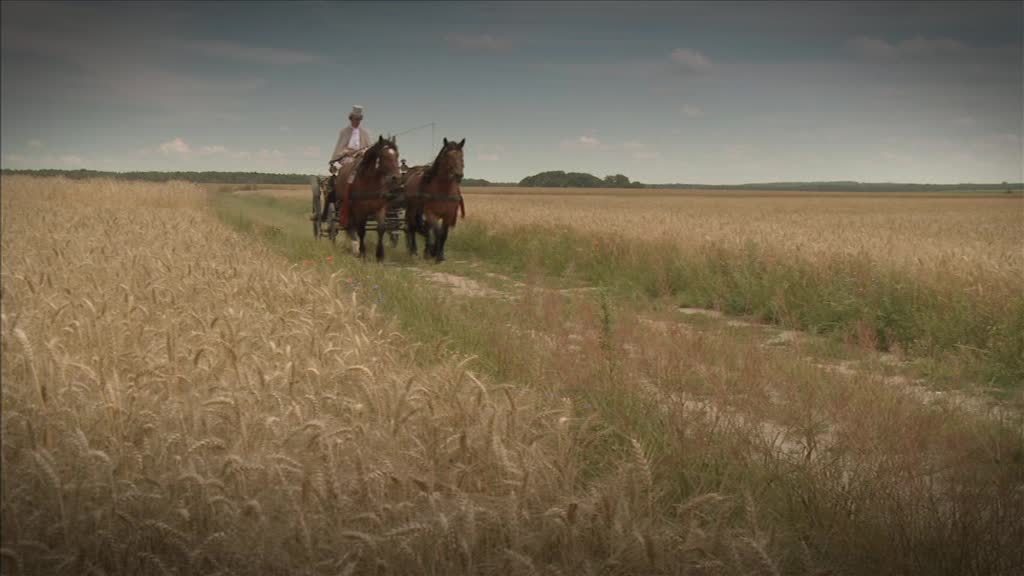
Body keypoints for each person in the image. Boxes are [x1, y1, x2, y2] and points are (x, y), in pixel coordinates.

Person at [318, 105, 373, 223]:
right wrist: (348, 152)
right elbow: (340, 149)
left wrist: (363, 152)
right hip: (347, 158)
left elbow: (369, 147)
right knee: (350, 166)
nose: (357, 121)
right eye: (355, 119)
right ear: (351, 118)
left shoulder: (365, 132)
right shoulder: (344, 132)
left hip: (361, 158)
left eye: (359, 119)